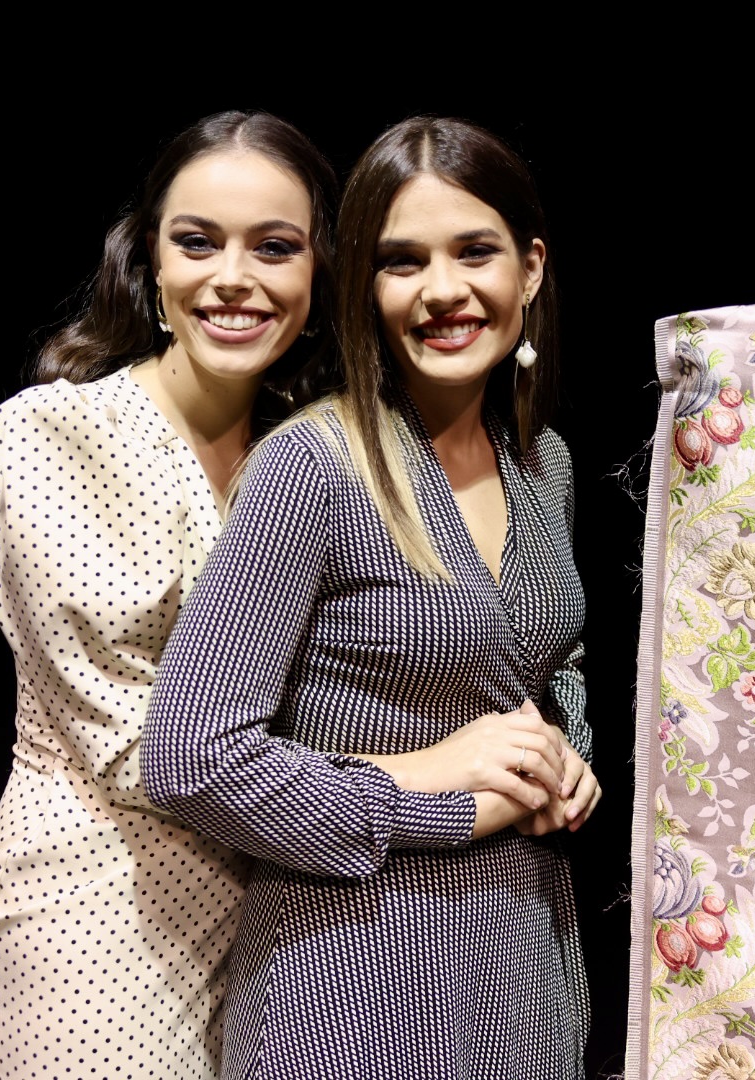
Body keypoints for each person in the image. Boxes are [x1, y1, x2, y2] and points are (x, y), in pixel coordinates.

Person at [142, 115, 600, 1079]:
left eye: (474, 251)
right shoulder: (314, 465)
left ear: (530, 269)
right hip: (350, 993)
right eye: (403, 261)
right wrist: (435, 791)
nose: (443, 290)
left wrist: (568, 756)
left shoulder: (544, 463)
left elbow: (554, 660)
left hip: (525, 979)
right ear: (364, 285)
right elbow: (192, 760)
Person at [0, 109, 339, 1079]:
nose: (234, 277)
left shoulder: (311, 453)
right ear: (151, 263)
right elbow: (149, 750)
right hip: (94, 917)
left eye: (275, 247)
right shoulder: (55, 435)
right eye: (198, 241)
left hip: (282, 926)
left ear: (318, 272)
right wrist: (422, 782)